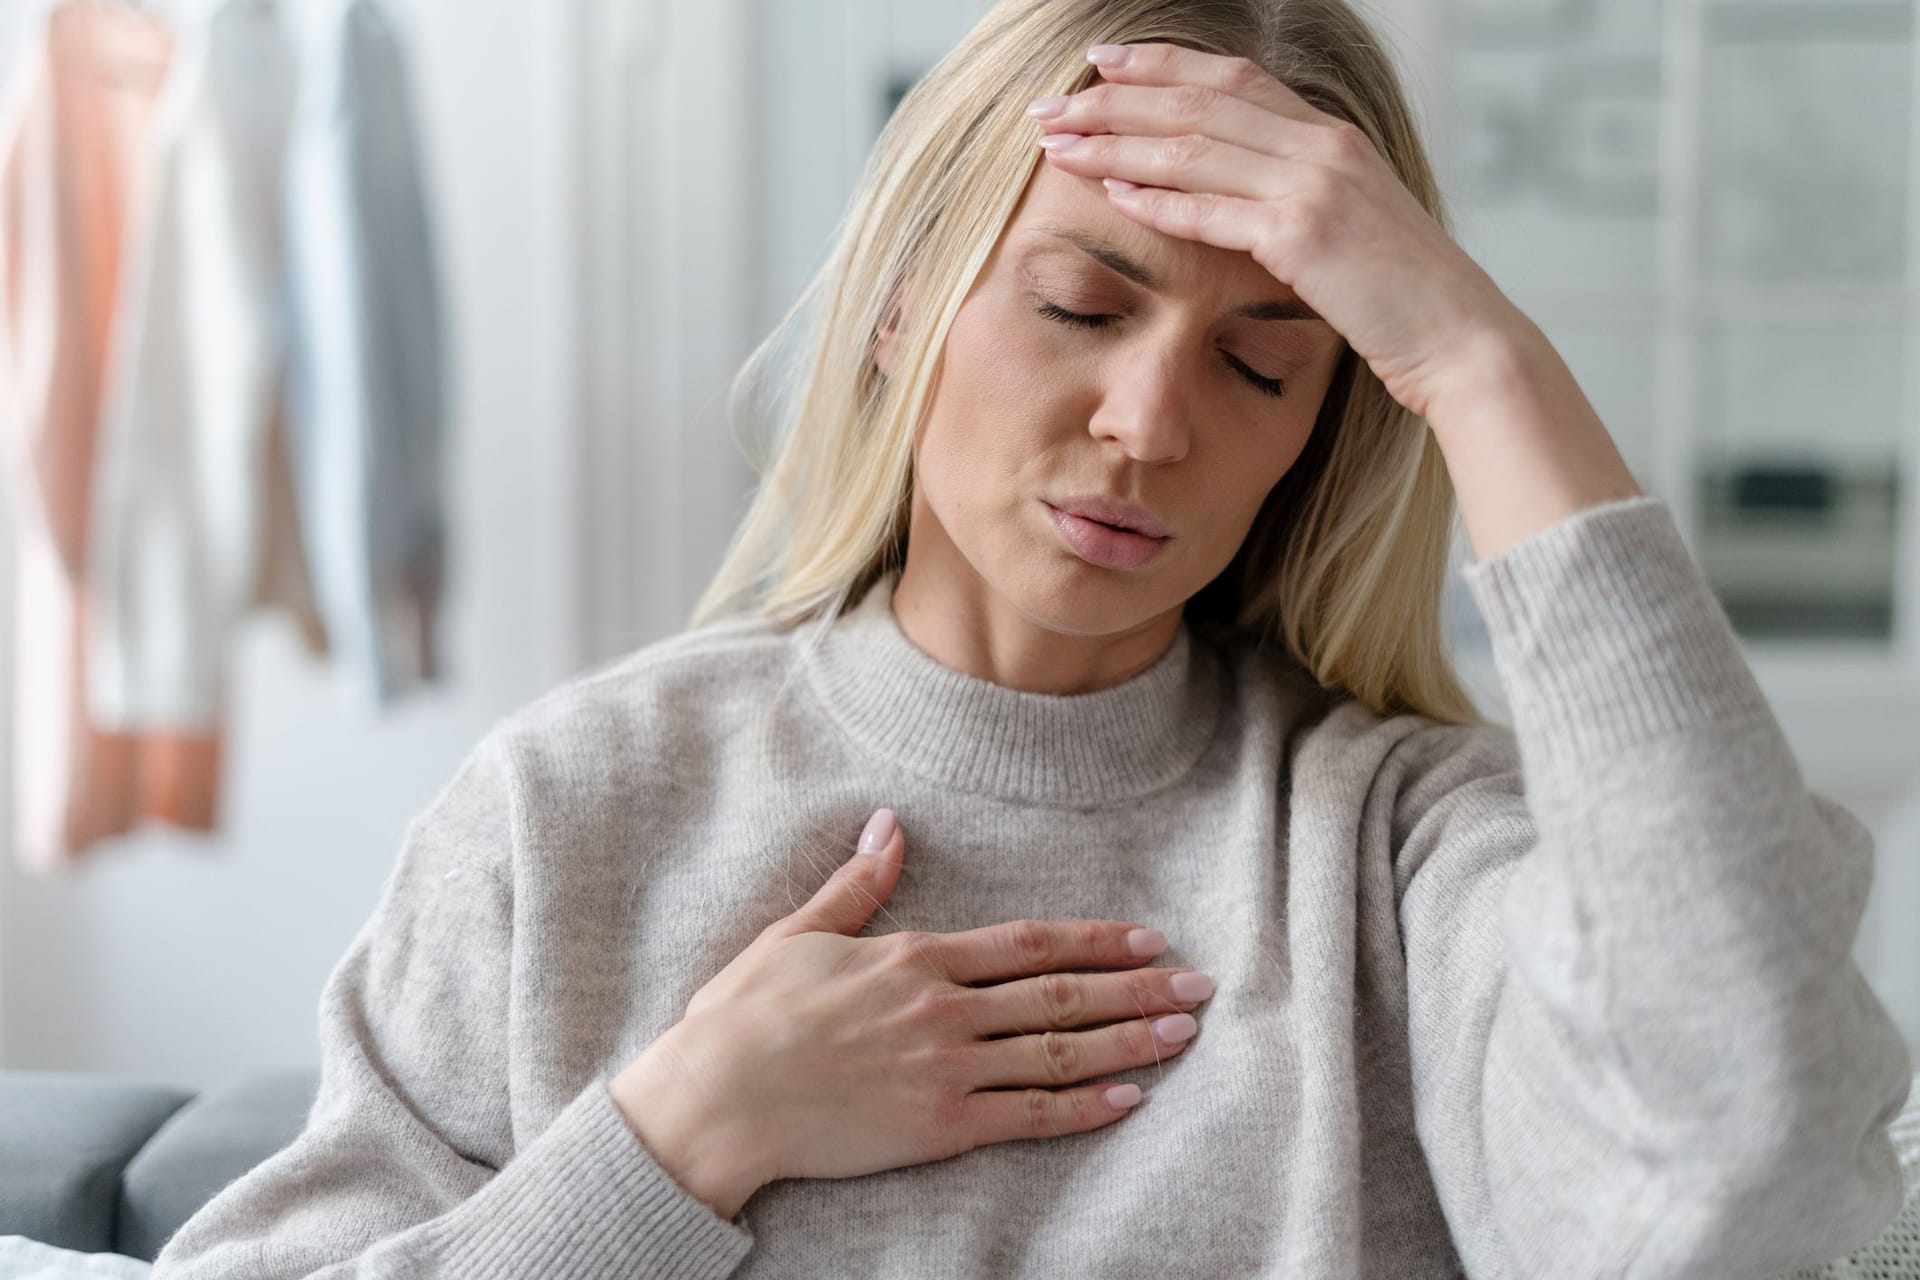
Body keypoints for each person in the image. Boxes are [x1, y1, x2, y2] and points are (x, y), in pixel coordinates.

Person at [151, 0, 1915, 1276]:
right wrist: (682, 1136)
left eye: (1261, 361)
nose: (1151, 424)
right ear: (906, 300)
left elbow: (1750, 1145)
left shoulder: (1394, 854)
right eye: (1083, 302)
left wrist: (1480, 363)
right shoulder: (577, 806)